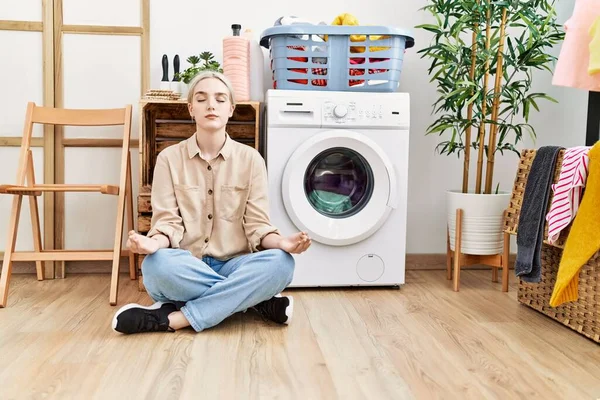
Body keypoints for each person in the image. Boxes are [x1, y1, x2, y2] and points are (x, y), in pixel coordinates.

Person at [112, 71, 311, 334]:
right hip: (187, 264)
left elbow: (257, 227)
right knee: (156, 266)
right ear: (191, 108)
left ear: (231, 109)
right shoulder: (169, 159)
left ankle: (173, 319)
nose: (211, 105)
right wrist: (152, 242)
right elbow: (167, 223)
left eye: (220, 99)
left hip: (235, 263)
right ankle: (252, 301)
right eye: (202, 98)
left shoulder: (251, 160)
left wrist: (283, 243)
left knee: (282, 263)